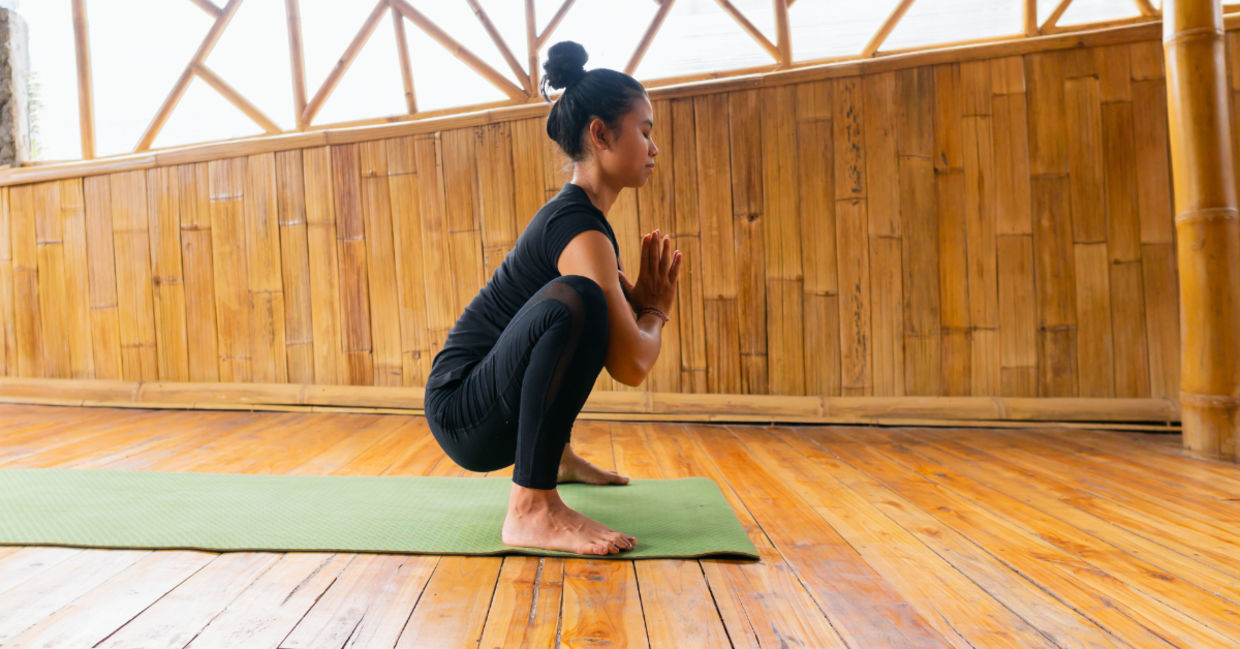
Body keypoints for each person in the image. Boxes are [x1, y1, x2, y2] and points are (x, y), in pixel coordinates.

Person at [423, 41, 683, 556]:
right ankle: (530, 507)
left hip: (487, 406)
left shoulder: (587, 224)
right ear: (600, 134)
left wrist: (640, 309)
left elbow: (607, 341)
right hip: (462, 412)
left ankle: (555, 456)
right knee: (578, 299)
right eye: (645, 131)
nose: (654, 147)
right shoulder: (578, 230)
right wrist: (654, 311)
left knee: (584, 305)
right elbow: (631, 363)